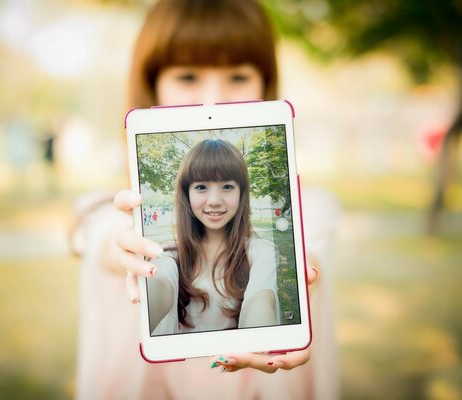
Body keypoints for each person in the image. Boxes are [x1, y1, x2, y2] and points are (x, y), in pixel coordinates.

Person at [73, 0, 340, 398]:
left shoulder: (309, 210)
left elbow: (302, 260)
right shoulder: (118, 214)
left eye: (237, 75)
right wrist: (124, 252)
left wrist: (296, 285)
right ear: (153, 84)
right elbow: (97, 234)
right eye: (188, 76)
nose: (213, 97)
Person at [148, 139, 279, 335]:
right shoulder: (168, 254)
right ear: (187, 193)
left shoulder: (261, 253)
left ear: (242, 192)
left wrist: (262, 340)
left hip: (243, 364)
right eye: (201, 187)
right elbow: (158, 286)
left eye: (227, 186)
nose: (215, 201)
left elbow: (260, 300)